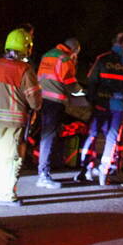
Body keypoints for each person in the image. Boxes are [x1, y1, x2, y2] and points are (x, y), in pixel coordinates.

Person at [0, 27, 42, 206]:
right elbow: (34, 101)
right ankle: (6, 196)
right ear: (26, 47)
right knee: (13, 157)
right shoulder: (24, 70)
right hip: (16, 121)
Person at [76, 32, 123, 185]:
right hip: (119, 107)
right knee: (112, 138)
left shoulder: (102, 59)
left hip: (101, 103)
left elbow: (92, 81)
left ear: (113, 43)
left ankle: (85, 168)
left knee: (92, 134)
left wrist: (91, 99)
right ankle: (104, 173)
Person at [35, 37, 86, 188]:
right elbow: (71, 84)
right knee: (49, 138)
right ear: (74, 50)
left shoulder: (48, 54)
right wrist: (83, 100)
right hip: (54, 102)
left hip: (41, 99)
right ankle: (43, 175)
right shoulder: (65, 59)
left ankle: (42, 170)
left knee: (44, 135)